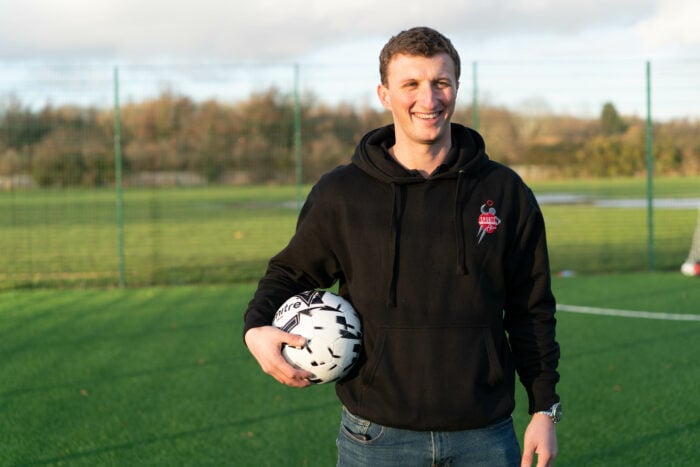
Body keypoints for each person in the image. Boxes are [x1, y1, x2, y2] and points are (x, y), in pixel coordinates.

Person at [244, 26, 561, 467]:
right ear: (384, 94)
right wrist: (256, 327)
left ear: (456, 88)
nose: (428, 100)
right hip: (375, 436)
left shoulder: (504, 191)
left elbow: (532, 308)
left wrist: (544, 407)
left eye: (441, 83)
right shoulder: (342, 193)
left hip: (485, 435)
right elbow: (290, 273)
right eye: (411, 84)